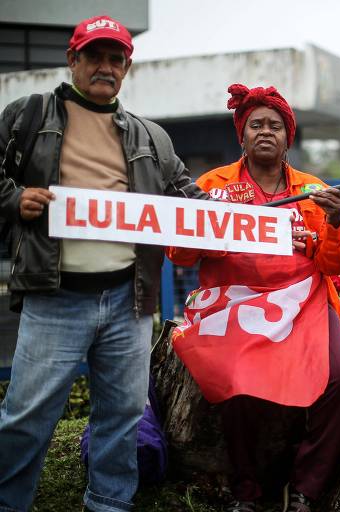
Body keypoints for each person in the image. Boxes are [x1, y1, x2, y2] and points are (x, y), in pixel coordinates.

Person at [0, 15, 207, 512]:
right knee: (26, 416)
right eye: (94, 55)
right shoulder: (28, 116)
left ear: (126, 69)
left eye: (116, 59)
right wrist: (13, 198)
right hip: (55, 296)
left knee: (123, 413)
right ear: (73, 60)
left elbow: (194, 203)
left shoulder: (150, 138)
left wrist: (264, 216)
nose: (106, 66)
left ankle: (109, 504)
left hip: (128, 300)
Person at [166, 84, 340, 512]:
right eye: (256, 125)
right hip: (232, 301)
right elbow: (178, 254)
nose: (265, 132)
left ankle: (306, 489)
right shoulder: (210, 187)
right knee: (236, 378)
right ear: (242, 135)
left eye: (275, 125)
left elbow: (337, 264)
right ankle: (247, 492)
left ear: (288, 137)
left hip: (303, 301)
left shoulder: (314, 191)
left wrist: (335, 219)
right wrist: (203, 227)